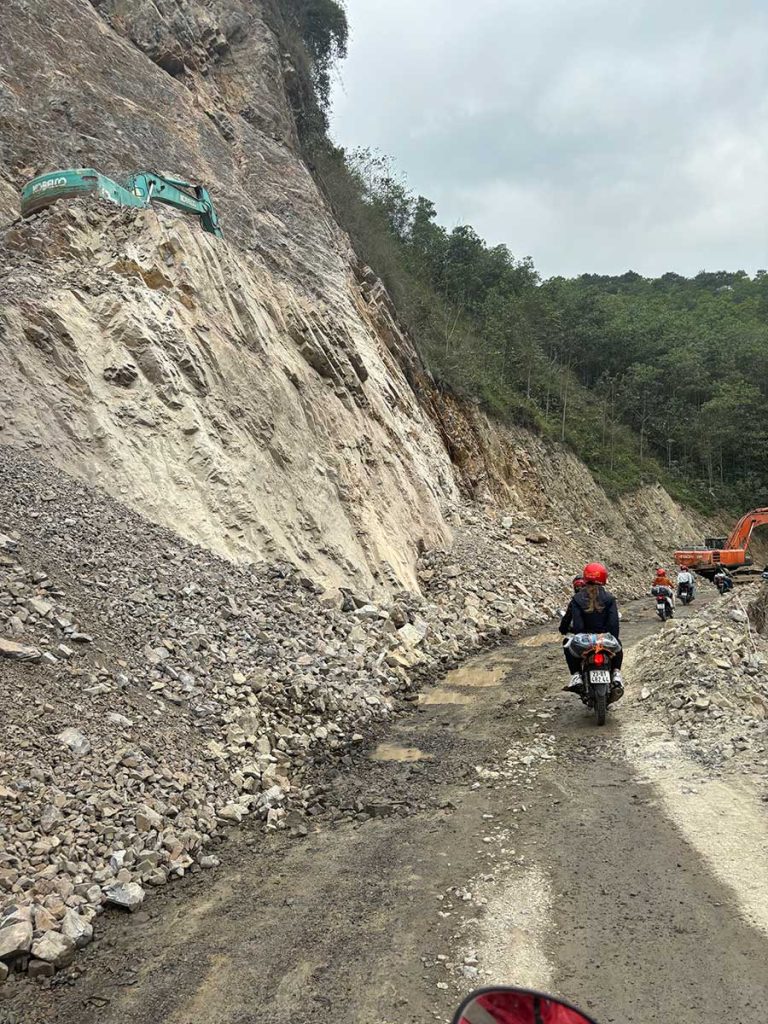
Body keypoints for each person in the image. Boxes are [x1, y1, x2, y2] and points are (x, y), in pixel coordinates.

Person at [563, 562, 623, 692]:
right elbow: (613, 624)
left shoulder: (577, 598)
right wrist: (612, 638)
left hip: (585, 640)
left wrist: (577, 633)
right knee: (619, 644)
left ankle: (577, 675)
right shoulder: (609, 598)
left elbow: (578, 626)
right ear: (603, 578)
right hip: (604, 638)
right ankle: (616, 673)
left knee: (566, 643)